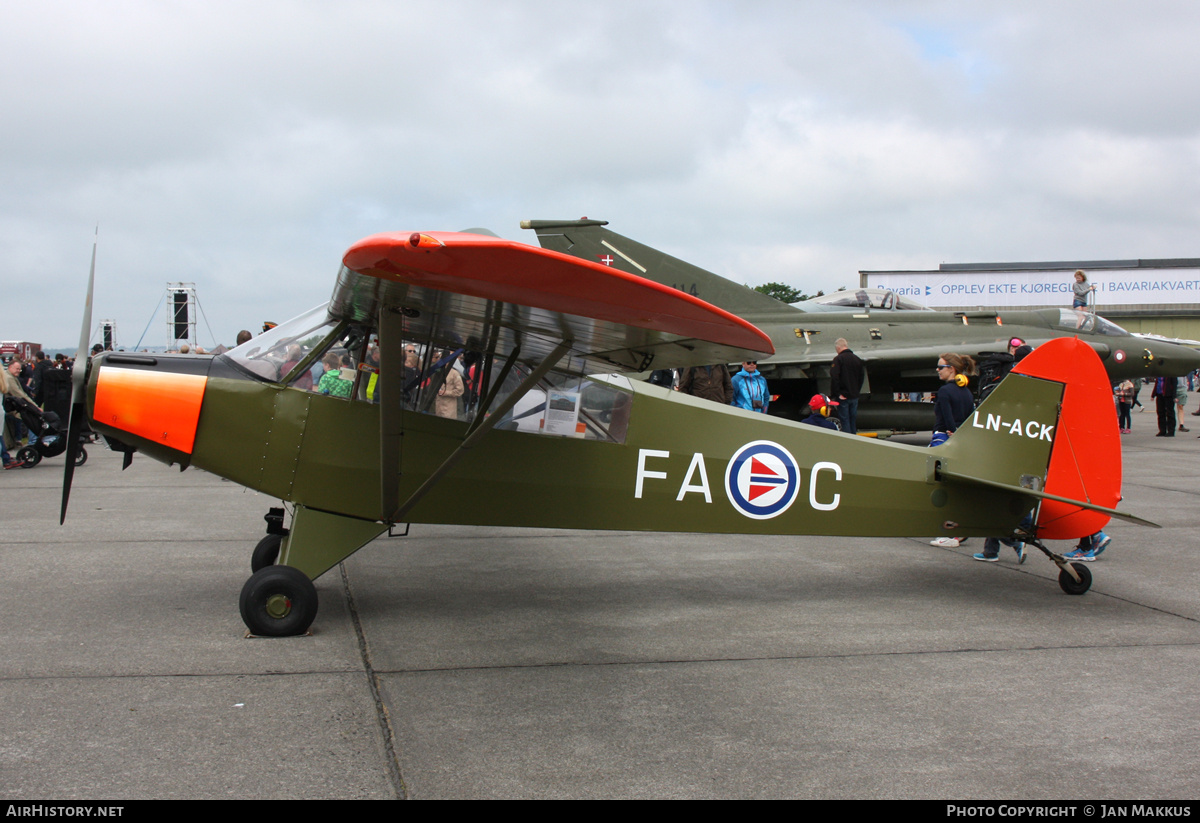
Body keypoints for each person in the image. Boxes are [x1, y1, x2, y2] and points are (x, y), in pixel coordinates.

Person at [928, 353, 978, 549]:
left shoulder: (945, 392)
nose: (938, 370)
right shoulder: (966, 392)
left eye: (940, 367)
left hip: (944, 438)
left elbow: (947, 421)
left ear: (951, 369)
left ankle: (950, 532)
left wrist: (949, 431)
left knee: (940, 489)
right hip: (961, 442)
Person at [829, 338, 864, 434]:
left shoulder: (838, 359)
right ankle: (854, 439)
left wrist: (836, 394)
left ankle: (848, 441)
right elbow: (861, 378)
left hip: (843, 397)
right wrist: (856, 392)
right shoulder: (857, 359)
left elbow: (834, 377)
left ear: (838, 347)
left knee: (845, 421)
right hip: (854, 396)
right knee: (852, 420)